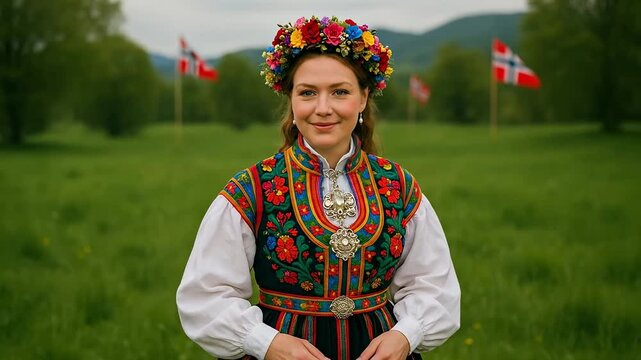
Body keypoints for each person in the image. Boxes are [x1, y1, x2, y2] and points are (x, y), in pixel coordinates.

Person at [176, 16, 460, 360]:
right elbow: (204, 296)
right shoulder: (252, 189)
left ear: (363, 98)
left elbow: (434, 285)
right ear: (292, 102)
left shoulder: (397, 186)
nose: (323, 108)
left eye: (340, 92)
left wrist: (405, 334)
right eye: (308, 93)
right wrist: (266, 343)